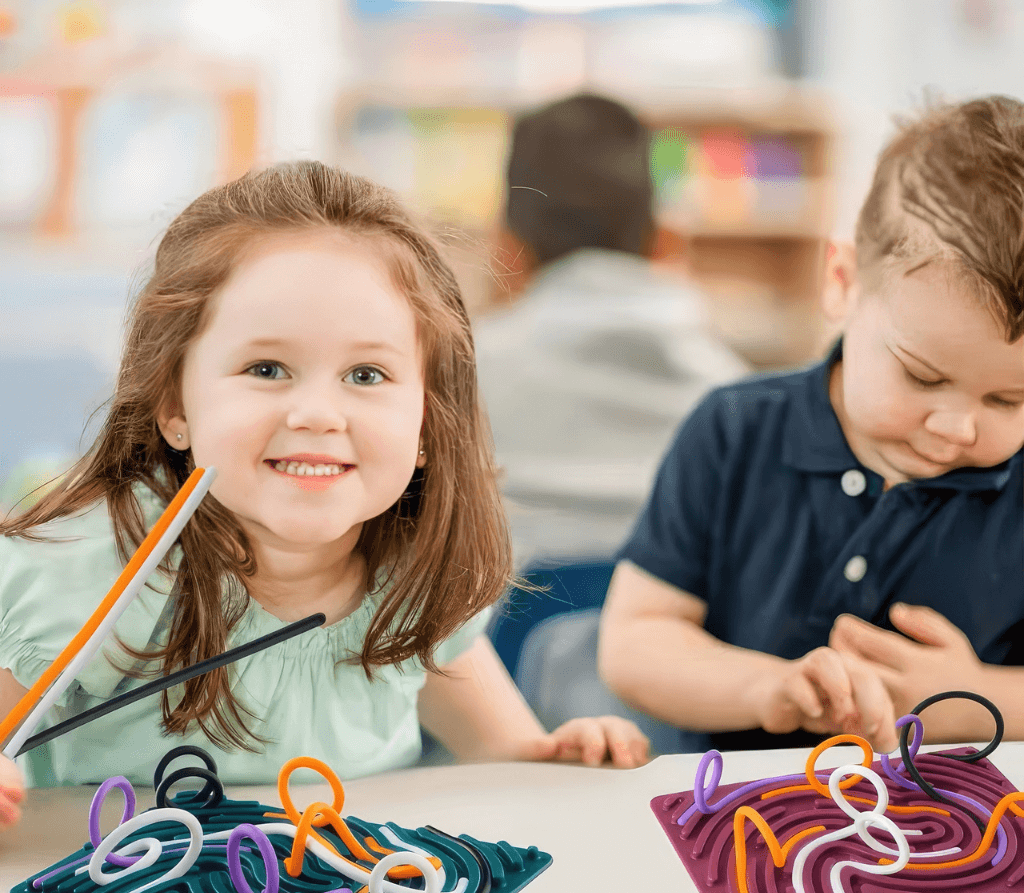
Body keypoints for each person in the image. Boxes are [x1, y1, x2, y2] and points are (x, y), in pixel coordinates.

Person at [0, 162, 650, 830]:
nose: (317, 413)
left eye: (365, 374)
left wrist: (564, 757)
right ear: (175, 407)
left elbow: (510, 759)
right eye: (266, 369)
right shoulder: (102, 557)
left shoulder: (413, 573)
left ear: (428, 422)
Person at [598, 95, 1024, 755]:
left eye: (1009, 400)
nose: (958, 426)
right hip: (728, 816)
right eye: (923, 376)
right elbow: (634, 643)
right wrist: (767, 688)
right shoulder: (732, 432)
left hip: (955, 826)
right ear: (843, 281)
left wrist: (976, 698)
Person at [474, 93, 748, 565]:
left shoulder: (456, 378)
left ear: (506, 247)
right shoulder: (743, 404)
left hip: (498, 636)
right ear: (665, 241)